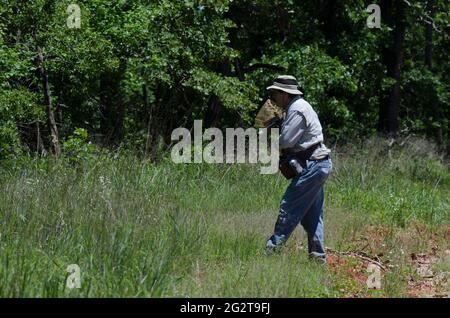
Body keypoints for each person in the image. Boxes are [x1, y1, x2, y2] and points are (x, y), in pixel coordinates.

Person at [265, 75, 333, 264]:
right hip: (318, 164)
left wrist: (272, 136)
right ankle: (318, 258)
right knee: (313, 215)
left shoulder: (296, 109)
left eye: (275, 94)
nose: (273, 98)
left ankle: (271, 251)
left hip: (312, 165)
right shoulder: (299, 106)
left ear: (284, 94)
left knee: (289, 207)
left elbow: (286, 141)